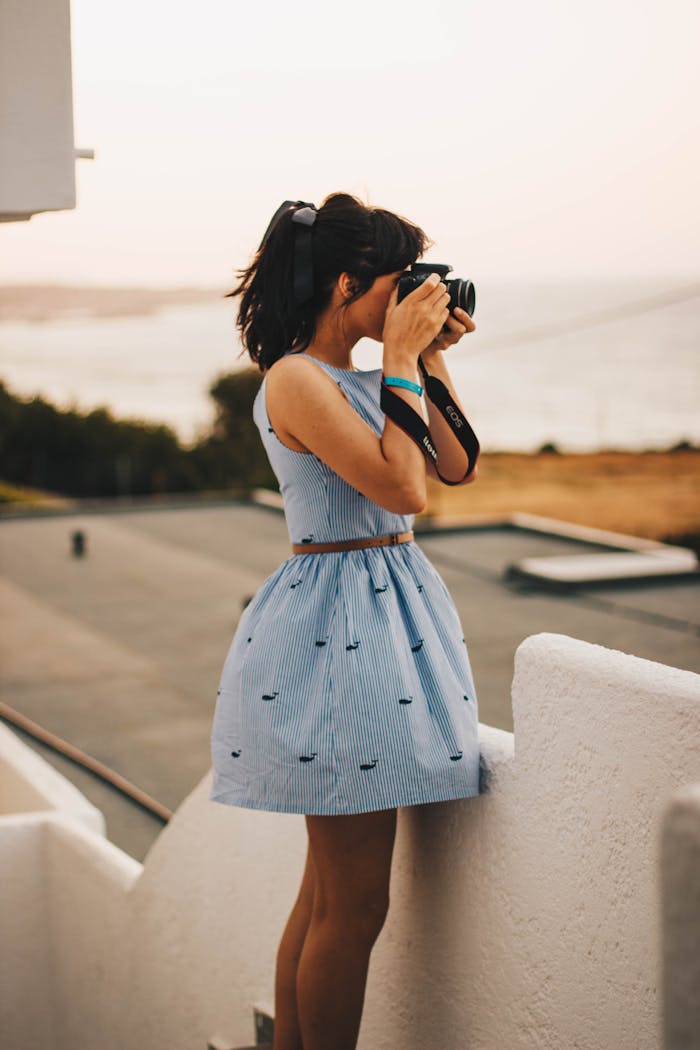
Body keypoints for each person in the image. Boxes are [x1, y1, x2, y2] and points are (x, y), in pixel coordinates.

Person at [209, 192, 484, 1050]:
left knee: (328, 897)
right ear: (343, 284)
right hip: (338, 631)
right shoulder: (296, 378)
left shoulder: (373, 376)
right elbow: (403, 490)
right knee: (354, 903)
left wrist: (427, 358)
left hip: (376, 619)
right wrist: (401, 356)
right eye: (397, 287)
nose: (407, 301)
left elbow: (456, 462)